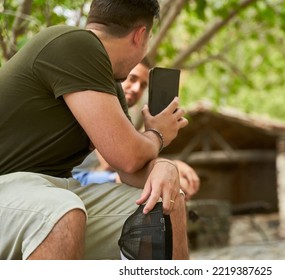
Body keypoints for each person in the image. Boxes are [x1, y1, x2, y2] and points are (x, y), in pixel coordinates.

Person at [0, 0, 190, 260]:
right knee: (61, 212)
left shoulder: (108, 82)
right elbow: (127, 154)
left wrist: (165, 167)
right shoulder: (75, 43)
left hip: (56, 191)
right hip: (14, 189)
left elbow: (129, 170)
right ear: (140, 35)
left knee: (168, 201)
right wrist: (157, 134)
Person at [73, 59, 200, 200]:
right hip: (75, 179)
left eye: (143, 85)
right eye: (132, 79)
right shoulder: (99, 106)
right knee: (160, 181)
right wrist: (167, 159)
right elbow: (115, 162)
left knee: (168, 182)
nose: (136, 89)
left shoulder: (124, 119)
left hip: (97, 176)